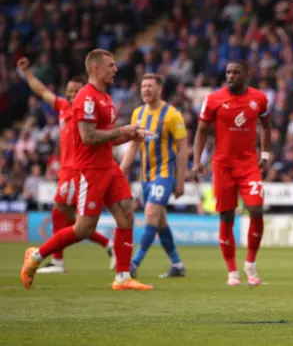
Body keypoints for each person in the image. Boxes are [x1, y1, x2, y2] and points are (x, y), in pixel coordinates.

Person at [20, 49, 154, 291]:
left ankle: (123, 277)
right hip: (90, 171)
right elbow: (89, 137)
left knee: (126, 215)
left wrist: (131, 136)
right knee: (83, 228)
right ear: (96, 69)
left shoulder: (106, 98)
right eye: (111, 65)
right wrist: (124, 130)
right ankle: (36, 257)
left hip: (109, 167)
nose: (115, 69)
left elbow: (108, 139)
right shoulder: (86, 98)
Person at [16, 57, 114, 274]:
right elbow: (42, 92)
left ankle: (58, 261)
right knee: (72, 220)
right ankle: (107, 245)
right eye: (69, 91)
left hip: (78, 169)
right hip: (66, 169)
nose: (70, 95)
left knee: (61, 212)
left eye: (75, 91)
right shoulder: (62, 107)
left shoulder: (87, 109)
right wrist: (28, 73)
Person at [193, 61, 271, 287]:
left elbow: (266, 125)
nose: (231, 76)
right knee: (226, 215)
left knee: (256, 208)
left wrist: (265, 154)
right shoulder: (213, 99)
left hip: (249, 165)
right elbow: (201, 131)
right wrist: (197, 162)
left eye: (236, 72)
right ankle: (232, 271)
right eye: (228, 72)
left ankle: (250, 264)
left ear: (245, 74)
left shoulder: (259, 98)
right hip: (223, 166)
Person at [120, 74, 188, 278]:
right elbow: (133, 144)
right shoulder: (137, 114)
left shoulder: (172, 115)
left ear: (160, 89)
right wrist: (119, 171)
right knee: (159, 221)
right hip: (145, 177)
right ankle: (177, 264)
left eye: (150, 86)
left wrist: (180, 181)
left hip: (164, 174)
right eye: (143, 86)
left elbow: (183, 149)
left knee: (150, 212)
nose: (146, 90)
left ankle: (133, 264)